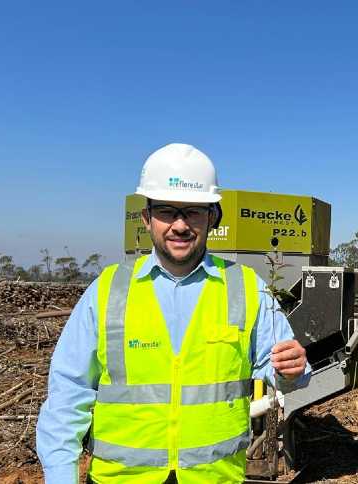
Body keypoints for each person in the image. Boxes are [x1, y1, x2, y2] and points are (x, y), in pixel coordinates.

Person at [36, 143, 310, 483]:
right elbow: (67, 394)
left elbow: (289, 371)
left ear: (212, 217)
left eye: (193, 211)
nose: (180, 225)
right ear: (146, 217)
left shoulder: (244, 287)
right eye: (167, 211)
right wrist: (61, 476)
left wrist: (291, 370)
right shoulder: (108, 291)